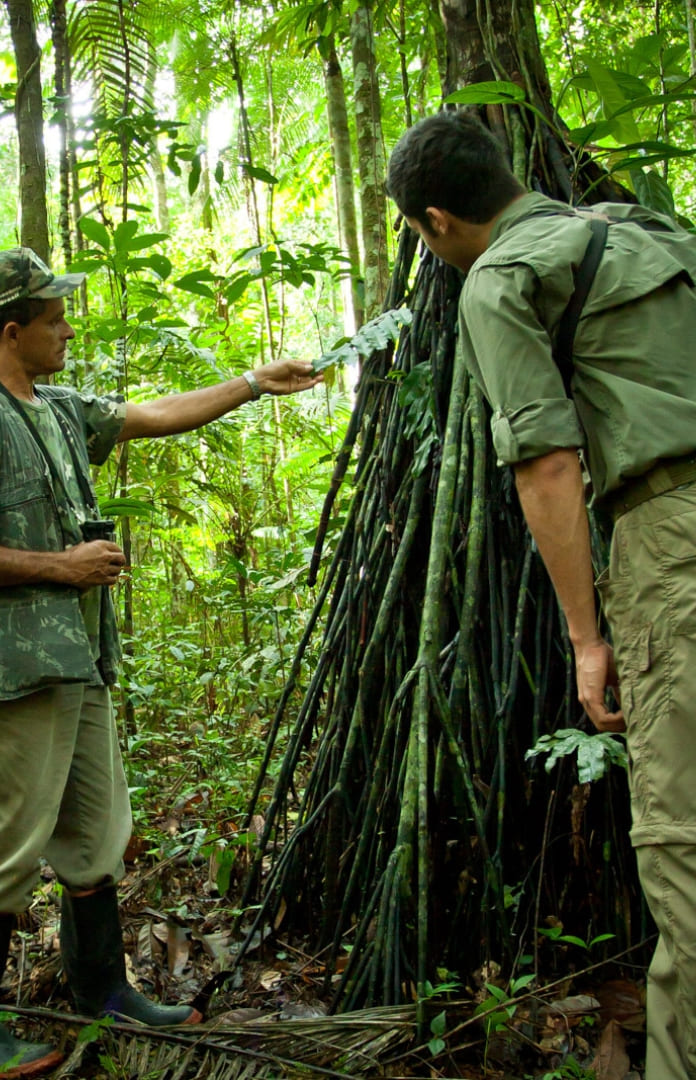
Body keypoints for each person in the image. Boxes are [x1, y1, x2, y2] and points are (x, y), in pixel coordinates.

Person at [0, 246, 322, 1075]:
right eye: (55, 316)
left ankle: (101, 987)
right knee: (5, 843)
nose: (69, 327)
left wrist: (252, 382)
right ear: (12, 328)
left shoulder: (58, 409)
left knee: (96, 834)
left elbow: (152, 415)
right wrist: (61, 567)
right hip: (11, 671)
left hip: (78, 661)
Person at [386, 109, 696, 1080]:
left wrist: (586, 637)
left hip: (672, 538)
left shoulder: (497, 280)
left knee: (683, 842)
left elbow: (548, 467)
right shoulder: (650, 230)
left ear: (435, 222)